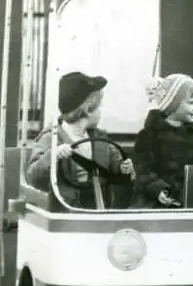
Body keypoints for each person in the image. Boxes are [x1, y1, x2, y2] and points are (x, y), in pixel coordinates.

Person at [26, 71, 135, 209]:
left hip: (99, 208)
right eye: (99, 105)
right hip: (66, 211)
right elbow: (33, 178)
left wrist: (124, 168)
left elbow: (115, 167)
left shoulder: (100, 138)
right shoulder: (51, 138)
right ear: (88, 109)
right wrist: (53, 156)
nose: (102, 110)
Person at [132, 73, 193, 208]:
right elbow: (143, 168)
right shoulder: (150, 135)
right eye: (191, 103)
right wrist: (158, 189)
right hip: (158, 200)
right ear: (173, 104)